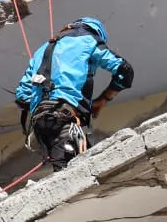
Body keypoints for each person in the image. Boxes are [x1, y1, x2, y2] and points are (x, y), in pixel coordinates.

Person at [14, 17, 133, 170]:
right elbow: (124, 71)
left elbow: (22, 96)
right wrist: (104, 99)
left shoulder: (42, 49)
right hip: (65, 118)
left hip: (40, 122)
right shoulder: (89, 40)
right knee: (73, 170)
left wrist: (43, 96)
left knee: (68, 168)